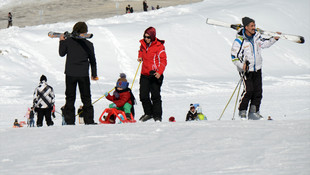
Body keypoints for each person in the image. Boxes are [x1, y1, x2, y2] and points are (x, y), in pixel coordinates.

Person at [231, 17, 280, 120]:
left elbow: (265, 44)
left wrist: (274, 39)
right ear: (246, 27)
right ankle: (242, 111)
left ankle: (254, 112)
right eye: (252, 26)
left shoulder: (257, 37)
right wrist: (242, 65)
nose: (254, 28)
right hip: (246, 70)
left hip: (257, 68)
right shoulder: (239, 40)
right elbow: (234, 57)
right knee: (249, 90)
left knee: (258, 91)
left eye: (254, 25)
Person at [59, 21, 98, 125]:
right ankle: (89, 121)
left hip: (70, 74)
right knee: (86, 98)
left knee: (70, 98)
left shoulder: (68, 41)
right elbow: (93, 61)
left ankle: (69, 121)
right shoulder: (89, 44)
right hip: (83, 74)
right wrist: (94, 74)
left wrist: (62, 41)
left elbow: (61, 53)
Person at [138, 27, 167, 122]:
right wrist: (140, 57)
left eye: (148, 37)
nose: (146, 38)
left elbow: (163, 60)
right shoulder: (143, 43)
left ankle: (157, 116)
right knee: (143, 96)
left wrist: (159, 72)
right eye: (145, 36)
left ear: (152, 37)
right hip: (144, 74)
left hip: (154, 74)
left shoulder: (159, 46)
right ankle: (148, 113)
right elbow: (141, 51)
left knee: (155, 96)